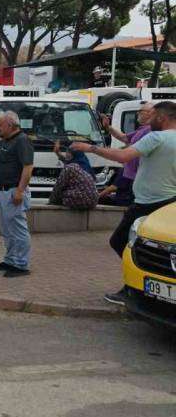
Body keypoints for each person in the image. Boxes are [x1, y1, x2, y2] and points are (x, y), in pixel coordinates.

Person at [71, 100, 176, 305]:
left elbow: (122, 156)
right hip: (167, 203)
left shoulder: (156, 137)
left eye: (152, 115)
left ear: (162, 118)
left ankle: (133, 287)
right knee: (158, 249)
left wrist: (90, 148)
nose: (147, 120)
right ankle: (160, 288)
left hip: (148, 203)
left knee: (120, 242)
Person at [0, 111, 34, 277]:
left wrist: (19, 190)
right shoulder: (6, 140)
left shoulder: (22, 140)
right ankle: (11, 259)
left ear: (10, 125)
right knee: (7, 229)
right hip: (3, 190)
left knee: (18, 228)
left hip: (13, 191)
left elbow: (28, 167)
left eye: (0, 124)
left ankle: (21, 264)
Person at [48, 145, 98, 210]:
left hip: (82, 199)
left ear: (71, 154)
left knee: (61, 194)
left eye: (67, 152)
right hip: (94, 201)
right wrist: (58, 153)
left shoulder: (70, 167)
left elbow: (59, 185)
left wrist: (51, 200)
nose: (66, 154)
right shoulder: (83, 163)